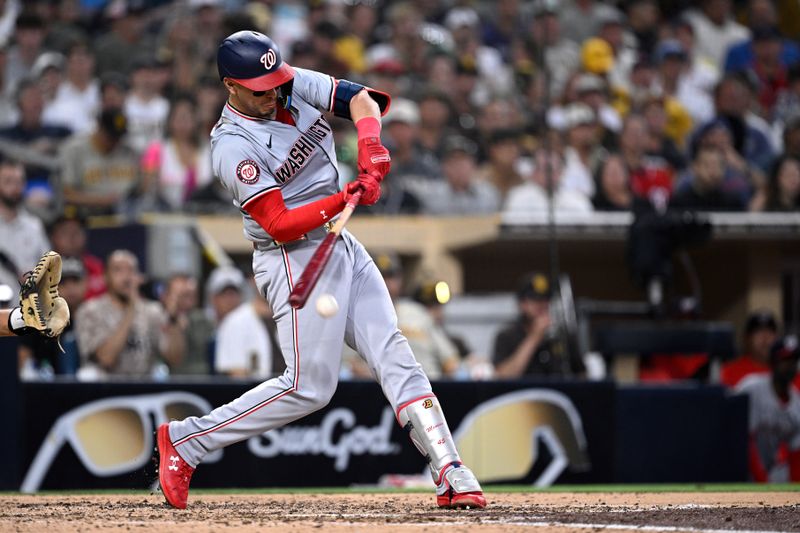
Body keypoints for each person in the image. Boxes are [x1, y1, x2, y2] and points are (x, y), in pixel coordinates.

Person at [156, 31, 485, 511]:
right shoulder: (232, 145)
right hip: (291, 254)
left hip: (338, 242)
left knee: (394, 352)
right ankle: (187, 441)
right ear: (230, 85)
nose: (271, 93)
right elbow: (280, 222)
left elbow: (363, 100)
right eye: (258, 88)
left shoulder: (287, 82)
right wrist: (345, 195)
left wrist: (371, 146)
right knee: (307, 387)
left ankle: (450, 469)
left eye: (273, 81)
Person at [74, 250, 184, 377]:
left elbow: (174, 358)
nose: (126, 277)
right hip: (105, 388)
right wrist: (131, 308)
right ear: (105, 277)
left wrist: (173, 319)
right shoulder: (90, 311)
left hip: (145, 387)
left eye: (131, 270)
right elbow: (106, 359)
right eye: (118, 270)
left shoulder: (153, 311)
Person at [492, 272, 585, 378]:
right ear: (522, 304)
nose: (542, 305)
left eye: (546, 299)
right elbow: (502, 376)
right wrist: (534, 337)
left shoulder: (563, 336)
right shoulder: (507, 336)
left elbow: (582, 376)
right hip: (523, 394)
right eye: (535, 300)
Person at [736, 336, 800, 482]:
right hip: (732, 463)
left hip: (766, 470)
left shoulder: (797, 404)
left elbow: (796, 455)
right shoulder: (751, 388)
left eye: (794, 361)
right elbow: (744, 439)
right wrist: (762, 482)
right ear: (773, 362)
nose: (790, 366)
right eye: (785, 360)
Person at [0, 158, 50, 298]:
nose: (15, 187)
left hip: (28, 307)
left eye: (19, 182)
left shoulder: (34, 226)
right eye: (8, 181)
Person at [720, 310, 779, 388]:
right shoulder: (730, 371)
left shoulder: (786, 372)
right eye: (758, 332)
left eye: (770, 332)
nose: (765, 338)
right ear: (747, 338)